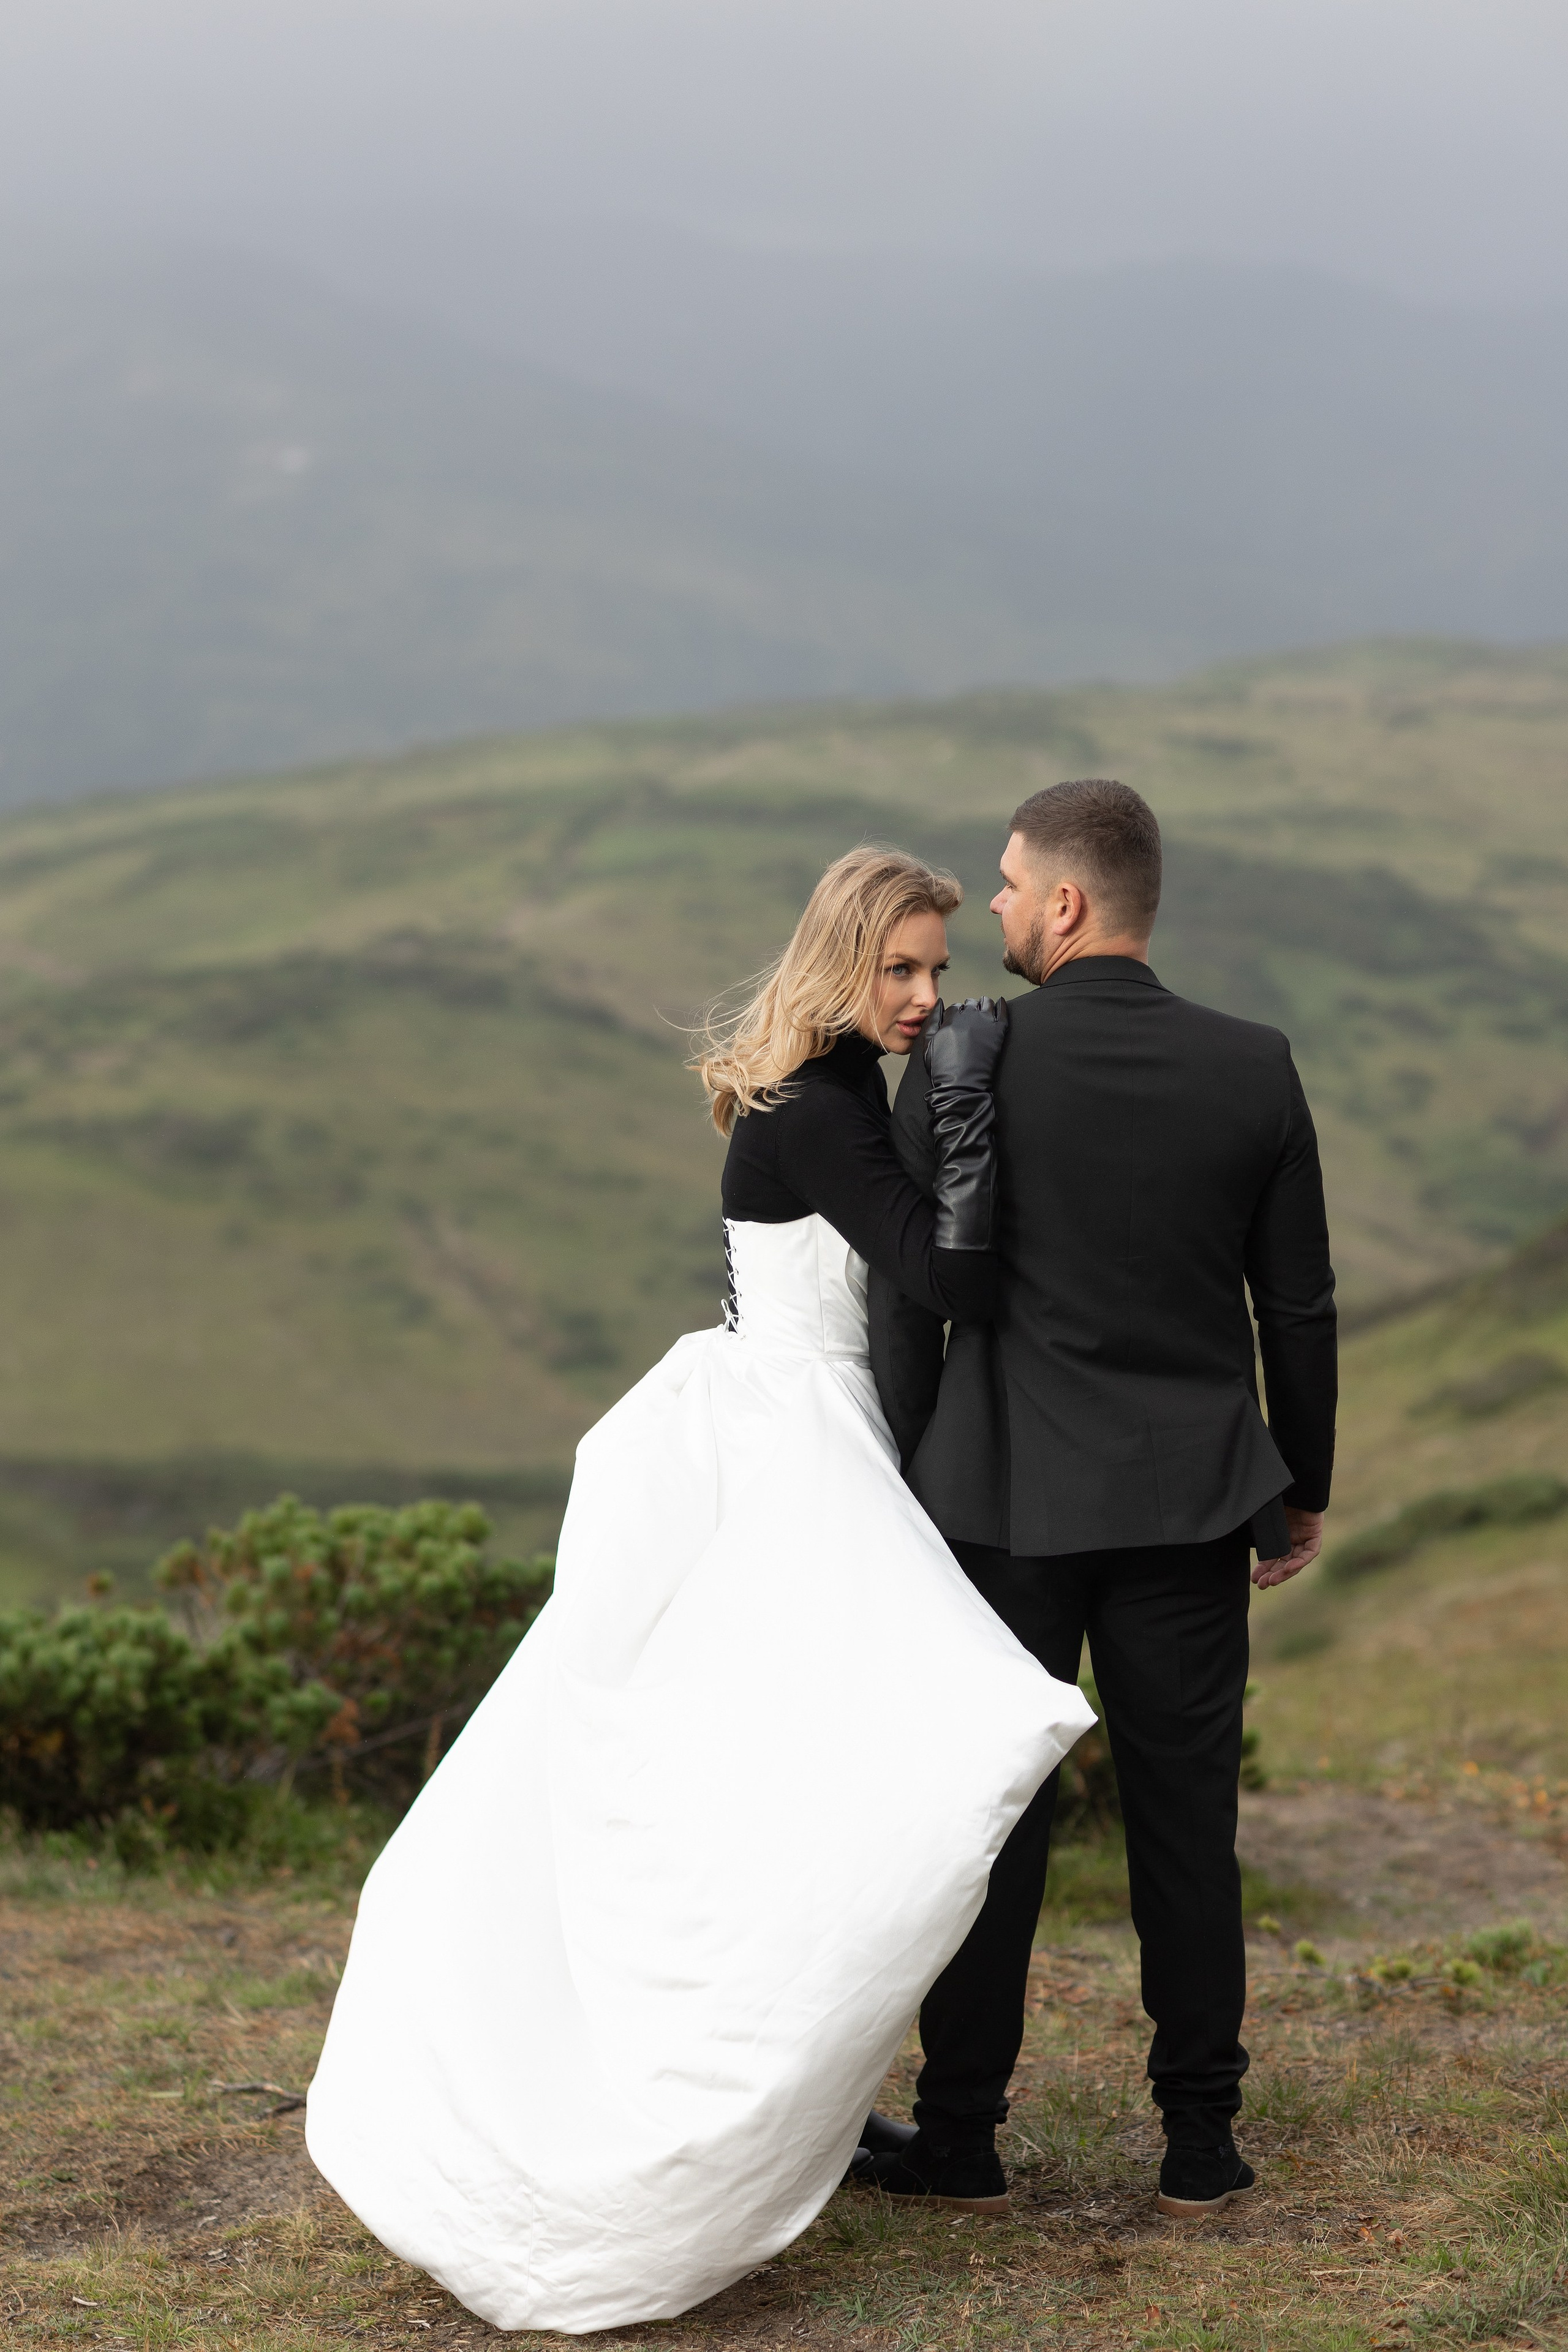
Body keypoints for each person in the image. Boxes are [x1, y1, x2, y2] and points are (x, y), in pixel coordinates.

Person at [306, 846, 1093, 2333]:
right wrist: (986, 1113)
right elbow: (936, 1275)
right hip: (794, 1453)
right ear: (839, 964)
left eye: (940, 967)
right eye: (901, 970)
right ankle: (728, 2108)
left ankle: (822, 2092)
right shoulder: (811, 1108)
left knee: (815, 1781)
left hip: (809, 1428)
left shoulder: (835, 1089)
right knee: (868, 1761)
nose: (928, 996)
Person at [866, 781, 1336, 2220]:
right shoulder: (1252, 1066)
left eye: (1008, 887)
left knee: (994, 1823)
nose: (994, 909)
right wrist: (1298, 1488)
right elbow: (1295, 1310)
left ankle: (960, 2139)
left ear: (1065, 903)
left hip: (1000, 1510)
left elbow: (909, 1316)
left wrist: (912, 1480)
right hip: (1191, 1508)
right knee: (1185, 1826)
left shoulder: (965, 1061)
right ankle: (1199, 2140)